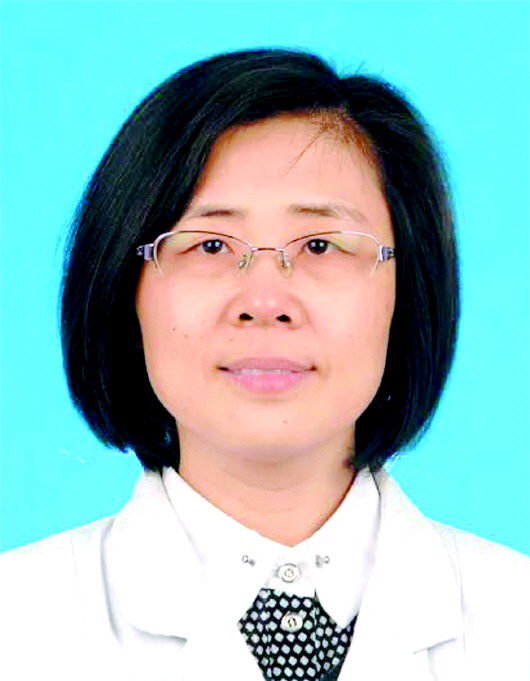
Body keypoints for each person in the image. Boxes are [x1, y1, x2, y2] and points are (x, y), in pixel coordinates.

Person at [0, 48, 528, 681]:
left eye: (321, 245)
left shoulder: (515, 617)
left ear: (408, 292)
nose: (266, 301)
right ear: (123, 289)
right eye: (210, 245)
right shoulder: (17, 621)